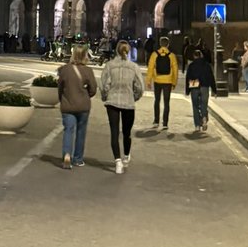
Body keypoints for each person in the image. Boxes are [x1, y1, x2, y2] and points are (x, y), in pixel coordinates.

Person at [99, 39, 143, 173]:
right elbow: (139, 87)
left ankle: (117, 162)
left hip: (112, 102)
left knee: (114, 132)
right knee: (127, 133)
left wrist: (105, 96)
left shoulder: (110, 65)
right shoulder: (134, 67)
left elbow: (104, 84)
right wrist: (134, 97)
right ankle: (126, 156)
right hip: (128, 103)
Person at [57, 43, 99, 169]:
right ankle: (78, 159)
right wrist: (86, 94)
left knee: (68, 131)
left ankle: (66, 155)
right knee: (81, 132)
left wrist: (62, 99)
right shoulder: (88, 71)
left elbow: (60, 87)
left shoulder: (64, 69)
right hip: (83, 106)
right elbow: (93, 89)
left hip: (68, 104)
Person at [146, 35, 179, 130]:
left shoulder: (154, 54)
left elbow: (150, 68)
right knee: (166, 102)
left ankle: (156, 121)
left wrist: (148, 81)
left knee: (157, 101)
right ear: (168, 45)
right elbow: (175, 70)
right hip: (168, 81)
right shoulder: (172, 56)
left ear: (160, 44)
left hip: (157, 80)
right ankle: (165, 123)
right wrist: (174, 82)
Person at [185, 49, 217, 133]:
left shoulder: (191, 65)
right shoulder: (207, 65)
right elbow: (211, 77)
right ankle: (204, 118)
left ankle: (197, 126)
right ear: (201, 56)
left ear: (194, 56)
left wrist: (187, 90)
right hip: (204, 86)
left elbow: (188, 78)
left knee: (195, 106)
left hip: (194, 85)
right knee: (204, 104)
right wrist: (214, 90)